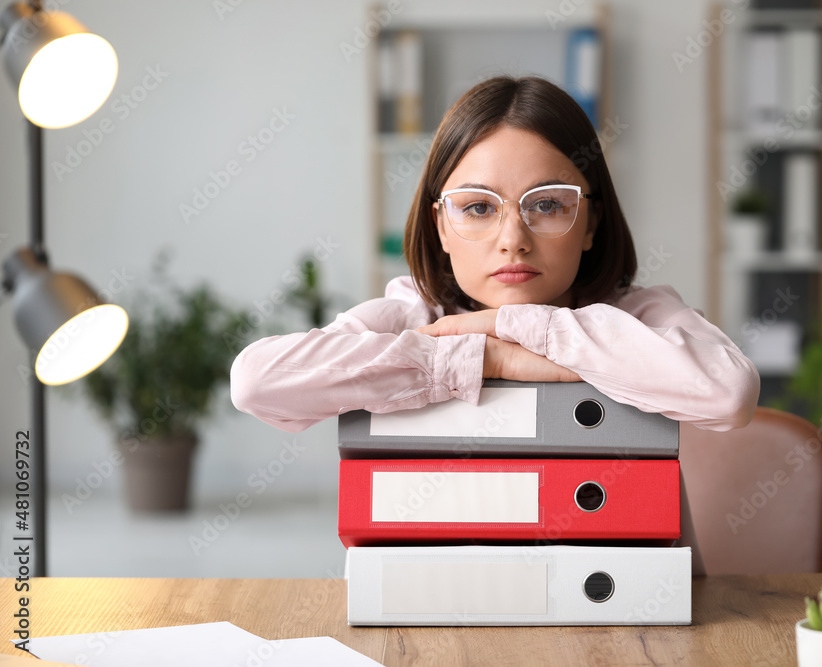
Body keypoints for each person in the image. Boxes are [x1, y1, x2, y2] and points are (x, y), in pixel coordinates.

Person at [230, 75, 759, 434]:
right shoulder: (415, 312)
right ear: (440, 225)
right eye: (478, 208)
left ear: (591, 221)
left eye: (547, 204)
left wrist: (527, 329)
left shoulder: (638, 315)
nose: (513, 238)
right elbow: (258, 381)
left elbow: (728, 393)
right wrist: (484, 356)